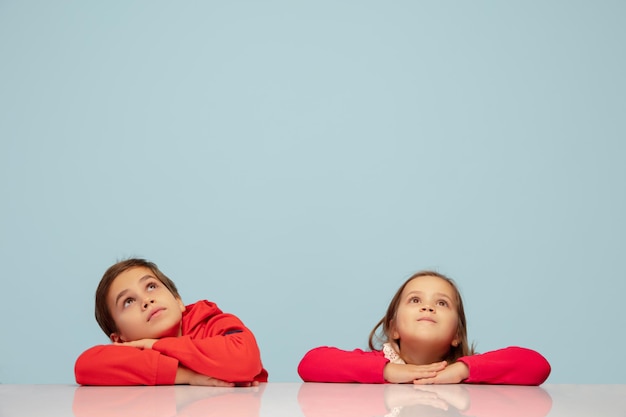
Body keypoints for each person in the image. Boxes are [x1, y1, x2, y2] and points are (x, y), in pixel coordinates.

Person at [297, 270, 551, 385]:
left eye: (441, 303)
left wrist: (462, 370)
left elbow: (537, 365)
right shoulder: (373, 366)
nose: (428, 308)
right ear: (393, 327)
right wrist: (389, 372)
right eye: (415, 300)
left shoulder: (469, 373)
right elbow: (310, 363)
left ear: (457, 335)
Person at [74, 258, 268, 386]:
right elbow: (84, 366)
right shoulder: (129, 351)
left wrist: (157, 345)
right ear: (120, 338)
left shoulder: (212, 321)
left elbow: (245, 359)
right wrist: (186, 376)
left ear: (178, 301)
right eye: (129, 301)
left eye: (151, 286)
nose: (146, 301)